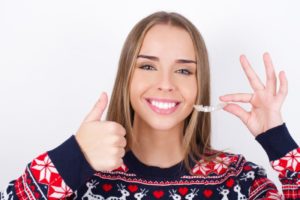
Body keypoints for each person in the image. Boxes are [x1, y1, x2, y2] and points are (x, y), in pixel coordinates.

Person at [1, 11, 299, 200]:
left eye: (184, 70)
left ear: (200, 85)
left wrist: (277, 139)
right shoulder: (79, 179)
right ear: (126, 78)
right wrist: (73, 157)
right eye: (147, 66)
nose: (166, 83)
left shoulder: (239, 180)